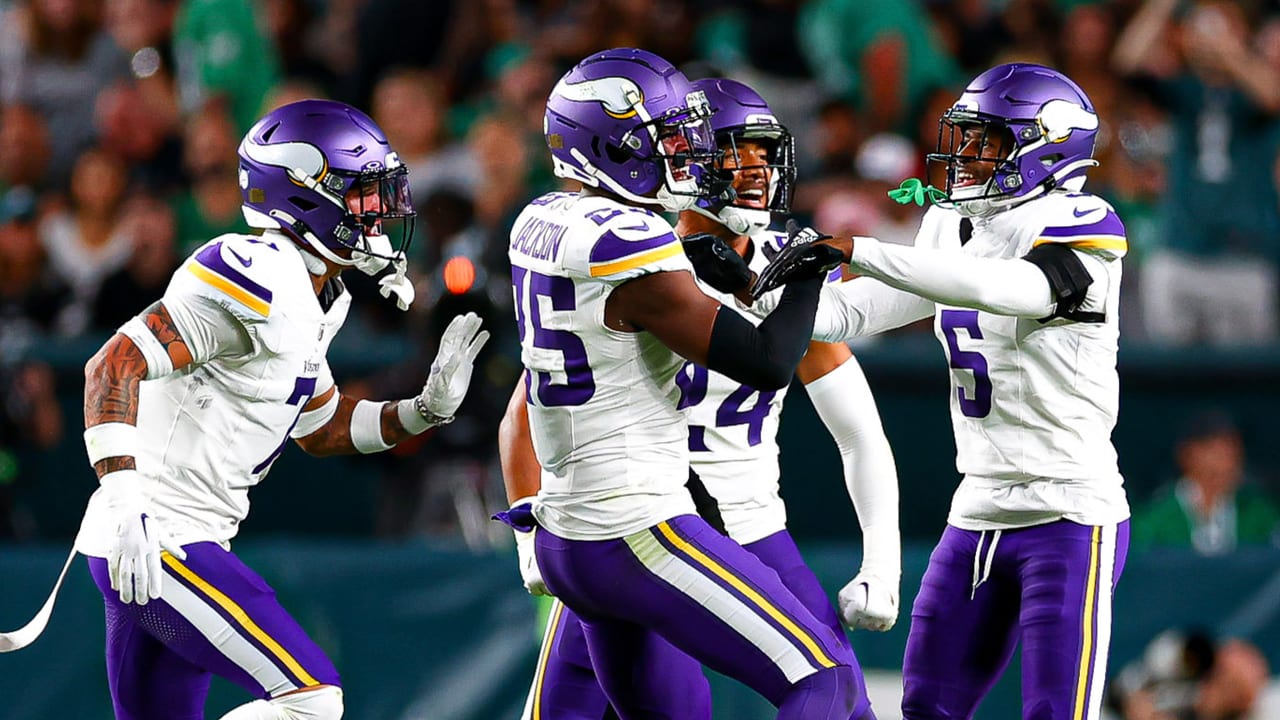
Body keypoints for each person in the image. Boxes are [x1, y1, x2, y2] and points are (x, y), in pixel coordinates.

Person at [732, 62, 1131, 719]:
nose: (968, 156)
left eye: (990, 142)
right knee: (925, 708)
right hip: (976, 509)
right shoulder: (952, 223)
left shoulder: (1087, 221)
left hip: (1069, 514)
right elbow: (849, 315)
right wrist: (756, 281)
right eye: (968, 138)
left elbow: (1009, 288)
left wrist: (858, 247)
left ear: (1050, 147)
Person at [74, 99, 489, 720]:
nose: (379, 211)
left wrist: (422, 411)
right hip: (157, 537)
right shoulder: (255, 272)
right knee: (311, 700)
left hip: (172, 538)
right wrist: (126, 496)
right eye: (362, 193)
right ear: (302, 193)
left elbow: (320, 427)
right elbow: (110, 367)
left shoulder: (316, 290)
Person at [501, 76, 901, 720]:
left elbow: (859, 431)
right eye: (729, 154)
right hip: (642, 522)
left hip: (742, 522)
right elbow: (526, 408)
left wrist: (883, 564)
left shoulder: (770, 258)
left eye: (763, 153)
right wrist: (526, 528)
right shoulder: (637, 254)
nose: (754, 171)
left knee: (840, 704)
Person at [1132, 410, 1280, 555]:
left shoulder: (1258, 512)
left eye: (1234, 449)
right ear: (1187, 454)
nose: (1228, 461)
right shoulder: (1155, 518)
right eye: (1215, 451)